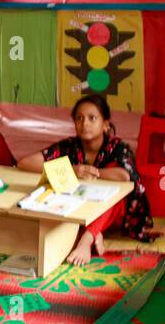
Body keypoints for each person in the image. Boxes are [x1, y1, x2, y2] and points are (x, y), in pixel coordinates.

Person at [17, 93, 156, 261]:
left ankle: (85, 241)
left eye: (92, 118)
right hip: (80, 209)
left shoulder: (117, 147)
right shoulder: (70, 146)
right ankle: (96, 233)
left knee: (115, 194)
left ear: (105, 125)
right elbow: (25, 163)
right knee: (53, 188)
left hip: (116, 214)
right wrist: (71, 170)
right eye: (79, 118)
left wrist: (89, 173)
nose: (85, 124)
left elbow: (124, 175)